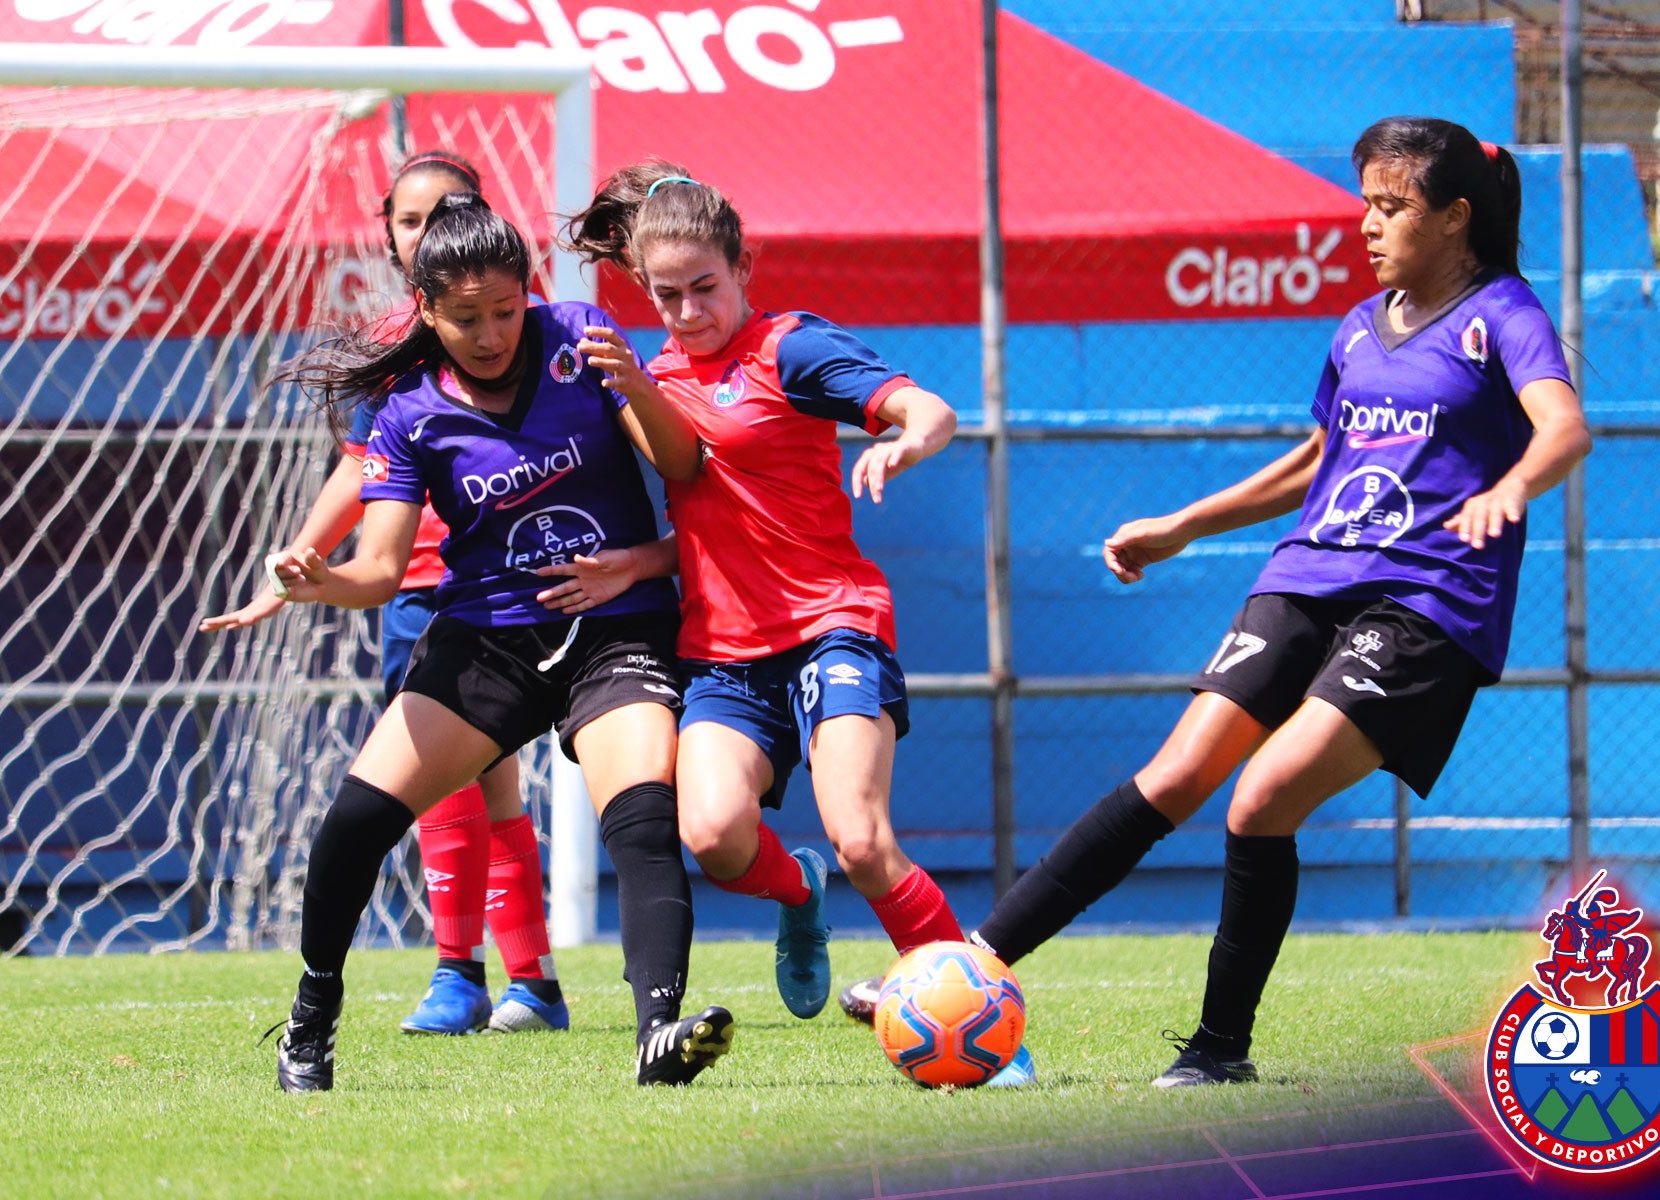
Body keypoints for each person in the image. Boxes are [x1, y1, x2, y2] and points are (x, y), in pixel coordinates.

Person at [845, 117, 1592, 1089]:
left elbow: (1565, 428)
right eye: (1363, 202)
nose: (1367, 225)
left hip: (1425, 602)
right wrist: (1185, 523)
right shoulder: (1361, 327)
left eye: (1390, 206)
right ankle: (970, 964)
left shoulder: (1505, 314)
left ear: (1454, 218)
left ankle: (1217, 1050)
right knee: (1177, 774)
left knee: (1262, 798)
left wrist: (1512, 486)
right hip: (1308, 575)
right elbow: (1321, 459)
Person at [552, 162, 1039, 1076]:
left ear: (743, 269)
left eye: (706, 287)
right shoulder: (650, 376)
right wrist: (642, 559)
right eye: (668, 294)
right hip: (723, 656)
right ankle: (798, 892)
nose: (690, 309)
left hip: (831, 624)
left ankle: (987, 1032)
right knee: (712, 836)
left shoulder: (790, 348)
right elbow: (712, 506)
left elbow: (927, 407)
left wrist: (905, 440)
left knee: (860, 834)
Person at [260, 191, 732, 1091]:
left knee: (640, 813)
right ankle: (310, 1023)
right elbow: (385, 569)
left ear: (531, 294)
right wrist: (325, 581)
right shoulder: (405, 413)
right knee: (355, 823)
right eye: (465, 318)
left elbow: (682, 466)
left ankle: (657, 1035)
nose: (490, 334)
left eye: (507, 312)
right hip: (487, 641)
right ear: (425, 310)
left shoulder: (582, 339)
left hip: (614, 629)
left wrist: (633, 383)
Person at [203, 151, 568, 1037]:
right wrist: (298, 564)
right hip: (408, 581)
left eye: (451, 210)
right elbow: (361, 468)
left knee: (493, 777)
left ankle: (505, 977)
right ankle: (486, 976)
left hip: (516, 581)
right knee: (463, 778)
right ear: (390, 233)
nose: (427, 227)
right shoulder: (390, 346)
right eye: (411, 219)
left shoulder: (527, 326)